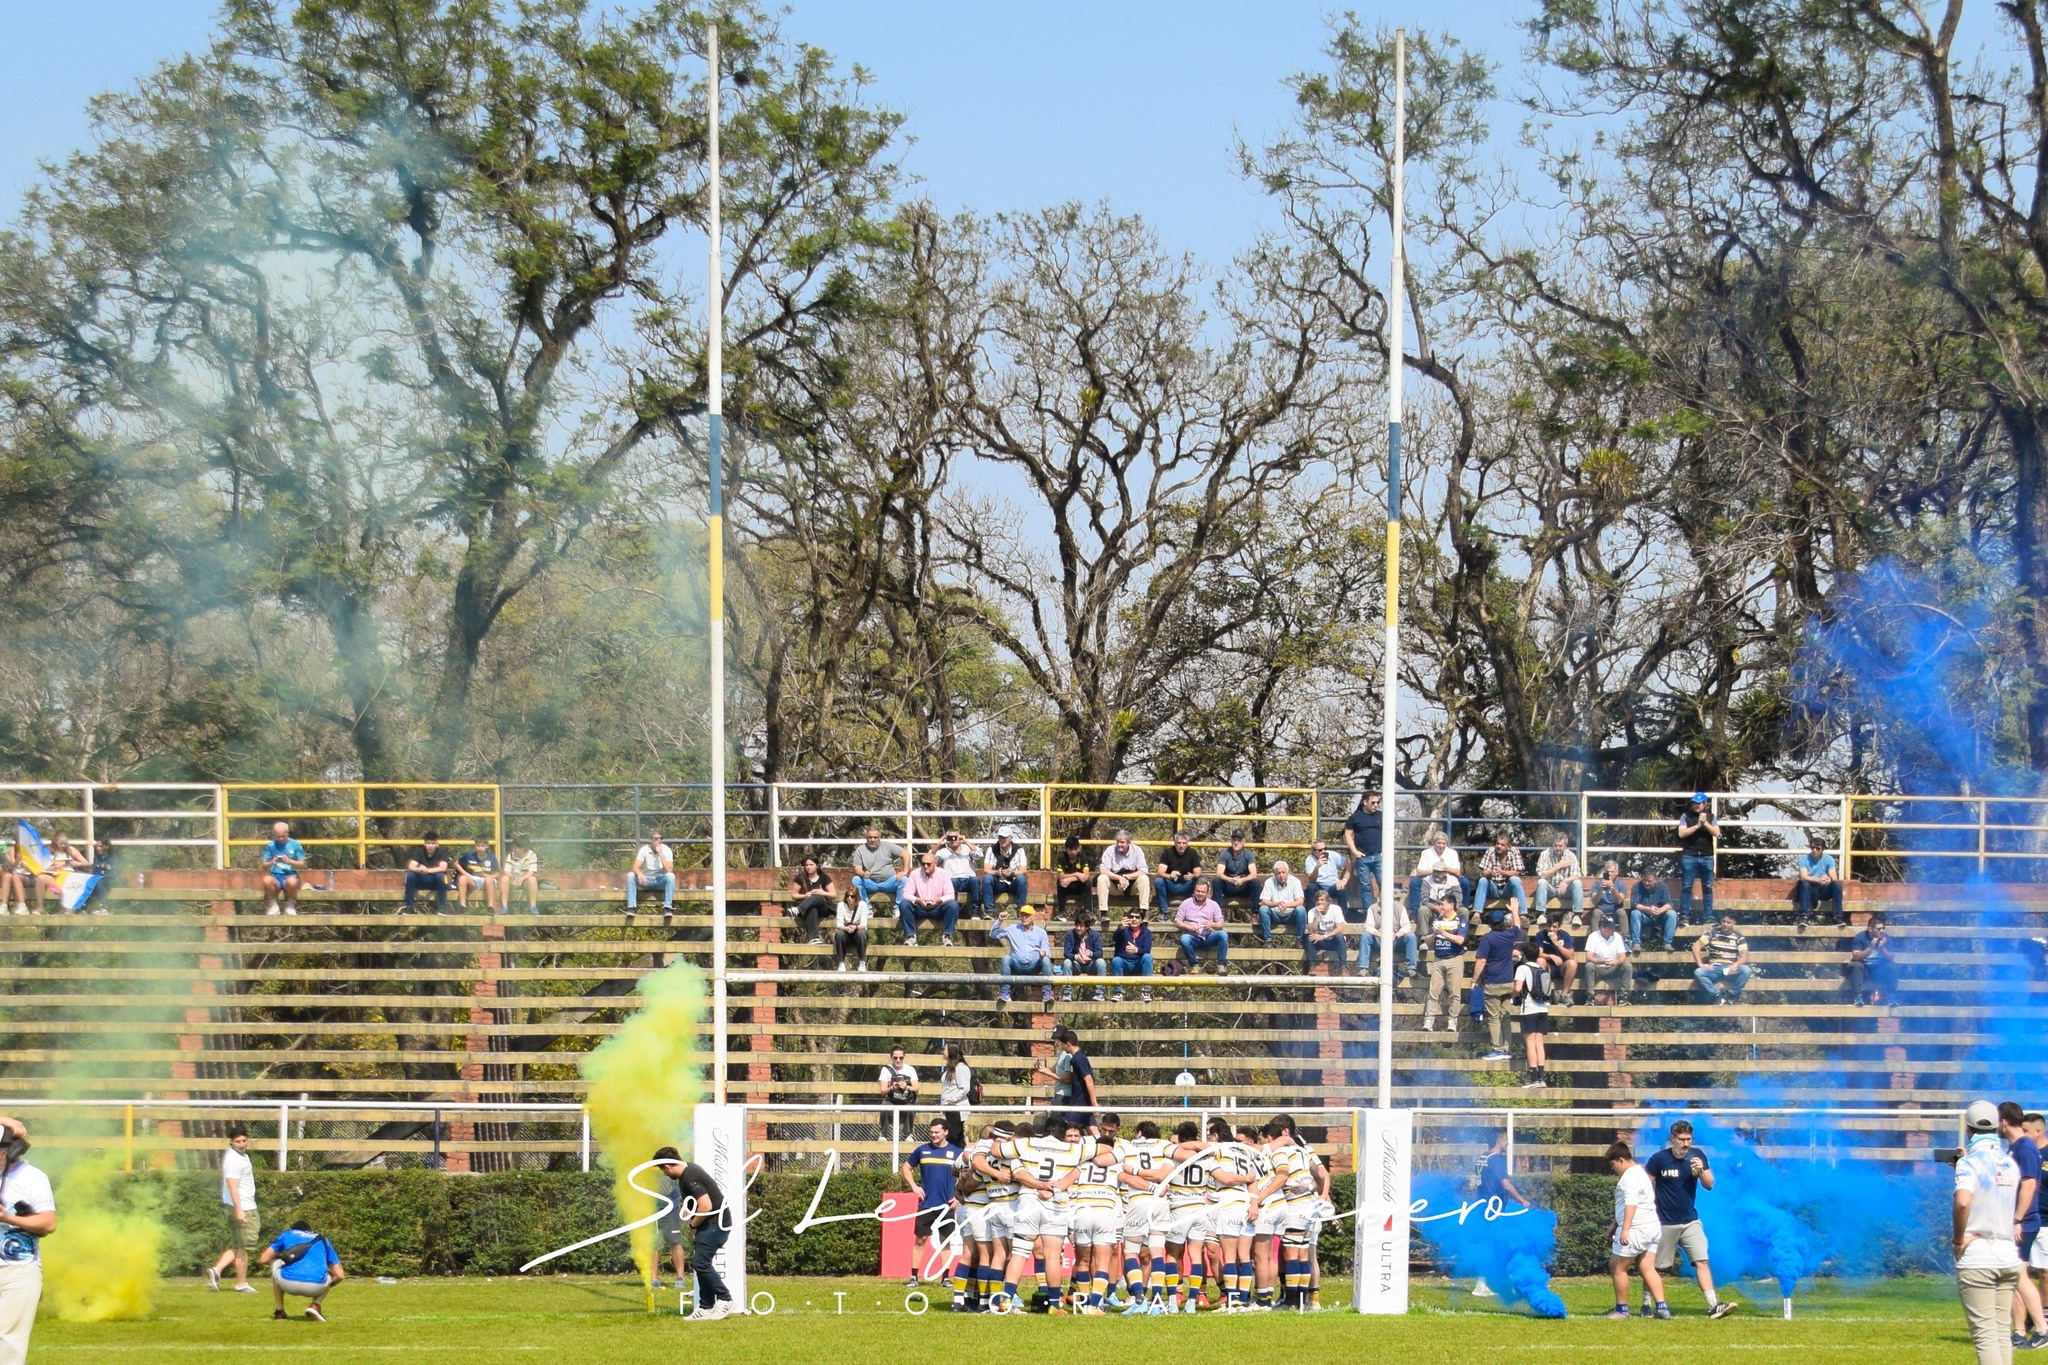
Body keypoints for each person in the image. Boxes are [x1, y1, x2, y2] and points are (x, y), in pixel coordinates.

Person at [1643, 1120, 1735, 1317]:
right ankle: (1646, 1304)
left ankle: (1713, 1305)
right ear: (1672, 1139)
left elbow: (1710, 1185)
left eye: (1689, 1139)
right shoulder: (1659, 1159)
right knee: (1656, 1267)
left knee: (1702, 1260)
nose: (1685, 1143)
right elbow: (1644, 1186)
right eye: (1681, 1139)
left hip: (1690, 1221)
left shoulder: (1697, 1156)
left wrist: (1701, 1170)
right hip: (1664, 1222)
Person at [1955, 1099, 2023, 1365]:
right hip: (2008, 1256)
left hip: (1979, 1257)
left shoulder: (1969, 1164)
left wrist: (1958, 1239)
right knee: (2000, 1332)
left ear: (1969, 1130)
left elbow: (1963, 1202)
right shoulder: (2010, 1163)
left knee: (1984, 1335)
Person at [652, 1149, 733, 1321]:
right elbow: (697, 1204)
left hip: (715, 1223)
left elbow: (706, 1206)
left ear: (667, 1166)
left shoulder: (690, 1176)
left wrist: (693, 1224)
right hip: (709, 1223)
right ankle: (705, 1306)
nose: (665, 1174)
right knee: (700, 1263)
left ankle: (725, 1299)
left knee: (701, 1263)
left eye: (663, 1170)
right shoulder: (688, 1172)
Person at [0, 1115, 55, 1361]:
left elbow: (48, 1222)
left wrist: (9, 1219)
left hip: (18, 1269)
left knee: (8, 1341)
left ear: (12, 1151)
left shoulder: (33, 1177)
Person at [2002, 1102, 2048, 1348]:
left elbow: (2029, 1184)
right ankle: (2020, 1331)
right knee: (2013, 1276)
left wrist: (2017, 1219)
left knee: (2020, 1274)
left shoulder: (2025, 1149)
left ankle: (2041, 1328)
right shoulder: (2014, 1148)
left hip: (2024, 1223)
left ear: (2003, 1122)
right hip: (2021, 1222)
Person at [1606, 1141, 1669, 1319]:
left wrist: (1624, 1229)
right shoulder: (1642, 1172)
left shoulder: (1629, 1178)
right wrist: (1615, 1224)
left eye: (1613, 1165)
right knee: (1647, 1267)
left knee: (1617, 1266)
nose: (1613, 1169)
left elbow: (1631, 1204)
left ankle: (1621, 1310)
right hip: (1652, 1227)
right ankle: (1662, 1308)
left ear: (1620, 1160)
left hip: (1636, 1229)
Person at [902, 1118, 964, 1289]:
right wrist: (914, 1186)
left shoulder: (957, 1152)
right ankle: (914, 1277)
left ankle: (945, 1277)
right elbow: (906, 1167)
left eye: (937, 1132)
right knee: (920, 1240)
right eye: (932, 1132)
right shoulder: (922, 1150)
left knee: (946, 1241)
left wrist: (959, 1196)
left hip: (947, 1206)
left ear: (946, 1132)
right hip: (926, 1204)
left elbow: (966, 1175)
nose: (934, 1135)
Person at [209, 1124, 260, 1292]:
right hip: (243, 1206)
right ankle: (241, 1283)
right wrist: (239, 1209)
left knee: (239, 1245)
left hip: (241, 1205)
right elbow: (232, 1186)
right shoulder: (234, 1159)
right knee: (244, 1247)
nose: (242, 1144)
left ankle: (216, 1270)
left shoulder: (241, 1156)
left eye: (244, 1140)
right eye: (238, 1141)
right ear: (231, 1142)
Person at [260, 1220, 343, 1322]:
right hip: (316, 1287)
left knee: (276, 1265)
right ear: (311, 1230)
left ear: (293, 1229)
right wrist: (325, 1287)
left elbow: (264, 1259)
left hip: (288, 1284)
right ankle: (315, 1305)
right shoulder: (323, 1239)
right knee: (329, 1276)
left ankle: (279, 1312)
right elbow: (340, 1275)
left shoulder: (288, 1234)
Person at [1475, 907, 1525, 1063]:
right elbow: (1518, 925)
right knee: (1505, 1016)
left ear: (1490, 923)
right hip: (1508, 982)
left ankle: (1497, 1049)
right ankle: (1506, 1048)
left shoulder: (1487, 938)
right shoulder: (1510, 935)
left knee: (1493, 1017)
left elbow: (1482, 960)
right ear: (1503, 922)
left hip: (1493, 982)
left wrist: (1474, 979)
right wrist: (1515, 910)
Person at [1421, 892, 1467, 1032]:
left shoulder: (1460, 920)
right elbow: (1427, 942)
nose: (1440, 906)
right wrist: (1434, 934)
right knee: (1433, 992)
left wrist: (1444, 933)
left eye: (1442, 904)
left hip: (1455, 959)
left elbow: (1460, 940)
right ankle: (1428, 1021)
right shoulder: (1437, 920)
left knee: (1454, 993)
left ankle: (1452, 1022)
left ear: (1451, 905)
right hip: (1438, 960)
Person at [1038, 1026, 1098, 1130]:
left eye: (1060, 1041)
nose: (1058, 1043)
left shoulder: (1076, 1058)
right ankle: (1101, 1143)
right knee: (1092, 1128)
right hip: (1081, 1100)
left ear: (1067, 1043)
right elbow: (1054, 1069)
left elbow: (1087, 1079)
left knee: (1065, 1128)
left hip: (1078, 1101)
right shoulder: (1075, 1057)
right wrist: (1043, 1069)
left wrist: (1094, 1103)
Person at [992, 903, 1052, 1005]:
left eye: (1027, 915)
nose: (1024, 918)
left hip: (1034, 966)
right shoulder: (1012, 929)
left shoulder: (1041, 932)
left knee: (1046, 960)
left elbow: (1047, 950)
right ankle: (1005, 992)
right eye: (1022, 915)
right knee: (1006, 958)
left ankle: (1047, 994)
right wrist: (999, 921)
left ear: (1033, 917)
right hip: (1017, 965)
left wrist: (1044, 952)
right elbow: (993, 935)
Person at [900, 851, 961, 947]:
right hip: (920, 907)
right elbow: (906, 894)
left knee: (953, 905)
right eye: (923, 864)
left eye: (928, 864)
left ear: (935, 864)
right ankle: (910, 937)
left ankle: (947, 937)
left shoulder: (943, 874)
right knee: (904, 904)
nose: (925, 866)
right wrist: (918, 900)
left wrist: (938, 900)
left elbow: (950, 894)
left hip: (938, 908)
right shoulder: (915, 874)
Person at [1511, 940, 1550, 1089]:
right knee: (1539, 1044)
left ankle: (1533, 1079)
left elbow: (1518, 988)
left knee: (1530, 1043)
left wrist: (1513, 996)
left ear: (1525, 955)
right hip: (1543, 1009)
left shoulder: (1522, 968)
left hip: (1529, 1009)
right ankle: (1542, 1078)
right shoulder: (1541, 968)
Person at [1677, 794, 1720, 926]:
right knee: (1686, 887)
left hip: (1707, 856)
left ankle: (1708, 917)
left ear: (1705, 804)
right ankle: (1684, 916)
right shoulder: (1685, 816)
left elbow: (1716, 833)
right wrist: (1696, 826)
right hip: (1690, 855)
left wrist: (1705, 823)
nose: (1697, 805)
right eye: (1695, 803)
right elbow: (1681, 833)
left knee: (1707, 887)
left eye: (1699, 803)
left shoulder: (1711, 817)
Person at [1692, 913, 1752, 1004]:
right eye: (1723, 921)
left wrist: (1735, 964)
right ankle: (1716, 994)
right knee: (1698, 972)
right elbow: (1696, 946)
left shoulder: (1739, 938)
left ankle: (1733, 995)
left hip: (1730, 969)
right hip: (1714, 968)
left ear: (1734, 923)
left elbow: (1744, 956)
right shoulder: (1712, 933)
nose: (1725, 924)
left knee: (1746, 970)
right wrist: (1700, 963)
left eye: (1728, 922)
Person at [1174, 879, 1228, 974]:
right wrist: (1187, 926)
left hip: (1208, 936)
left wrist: (1212, 924)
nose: (1200, 894)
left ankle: (1221, 965)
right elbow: (1177, 922)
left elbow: (1221, 925)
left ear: (1207, 893)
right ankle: (1194, 965)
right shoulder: (1186, 903)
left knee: (1223, 935)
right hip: (1193, 937)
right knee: (1184, 939)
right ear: (1194, 891)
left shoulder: (1214, 905)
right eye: (1198, 891)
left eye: (1203, 892)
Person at [1360, 898, 1417, 986]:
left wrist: (1397, 935)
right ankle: (1363, 967)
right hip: (1379, 939)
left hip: (1395, 940)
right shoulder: (1373, 908)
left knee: (1411, 936)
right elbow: (1368, 926)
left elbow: (1406, 925)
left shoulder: (1400, 908)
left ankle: (1411, 968)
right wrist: (1380, 934)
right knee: (1365, 936)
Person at [1096, 830, 1152, 918]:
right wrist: (1119, 878)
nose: (1119, 844)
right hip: (1114, 886)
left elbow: (1143, 870)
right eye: (1117, 842)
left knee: (1144, 878)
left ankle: (1143, 913)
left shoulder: (1137, 850)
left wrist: (1126, 877)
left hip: (1132, 886)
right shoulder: (1110, 850)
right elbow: (1103, 870)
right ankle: (1103, 913)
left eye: (1122, 842)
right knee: (1102, 878)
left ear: (1129, 843)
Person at [1846, 912, 1899, 1005]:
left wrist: (1882, 948)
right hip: (1864, 970)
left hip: (1879, 970)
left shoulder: (1885, 937)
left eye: (1883, 928)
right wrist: (1870, 948)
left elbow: (1891, 957)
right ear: (1870, 929)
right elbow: (1856, 956)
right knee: (1855, 965)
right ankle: (1858, 996)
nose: (1881, 931)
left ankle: (1891, 996)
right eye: (1878, 929)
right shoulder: (1860, 937)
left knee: (1891, 966)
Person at [851, 826, 909, 910]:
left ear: (880, 837)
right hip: (871, 882)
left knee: (904, 880)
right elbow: (857, 869)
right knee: (856, 880)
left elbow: (906, 854)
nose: (873, 839)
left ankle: (898, 908)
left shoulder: (887, 846)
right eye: (870, 837)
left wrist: (905, 871)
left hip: (890, 882)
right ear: (866, 838)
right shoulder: (860, 850)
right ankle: (866, 908)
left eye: (875, 837)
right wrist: (863, 874)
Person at [1406, 830, 1463, 916]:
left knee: (1465, 882)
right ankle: (1415, 913)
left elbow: (1457, 872)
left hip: (1448, 879)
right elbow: (1420, 872)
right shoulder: (1426, 853)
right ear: (1434, 843)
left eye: (1443, 843)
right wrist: (1435, 871)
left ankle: (1460, 910)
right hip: (1430, 879)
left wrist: (1444, 869)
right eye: (1438, 843)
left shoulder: (1452, 853)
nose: (1441, 846)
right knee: (1414, 882)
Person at [1342, 792, 1384, 907]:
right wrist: (1355, 851)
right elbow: (1348, 834)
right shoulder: (1355, 817)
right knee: (1365, 886)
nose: (1376, 805)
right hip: (1363, 857)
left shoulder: (1382, 815)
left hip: (1378, 855)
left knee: (1383, 884)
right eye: (1373, 802)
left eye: (1377, 802)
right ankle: (1368, 913)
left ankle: (1385, 911)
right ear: (1365, 802)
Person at [1534, 834, 1585, 928]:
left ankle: (1577, 915)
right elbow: (1542, 875)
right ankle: (1541, 914)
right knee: (1541, 882)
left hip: (1565, 889)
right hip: (1550, 888)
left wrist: (1565, 881)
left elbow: (1577, 875)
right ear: (1553, 844)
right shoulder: (1545, 854)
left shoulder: (1571, 856)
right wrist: (1559, 866)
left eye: (1560, 846)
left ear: (1565, 845)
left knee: (1577, 883)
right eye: (1555, 845)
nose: (1557, 848)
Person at [258, 820, 307, 916]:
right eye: (278, 836)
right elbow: (264, 865)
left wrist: (290, 861)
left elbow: (303, 864)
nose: (281, 839)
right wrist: (271, 862)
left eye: (283, 836)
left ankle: (291, 906)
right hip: (275, 876)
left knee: (292, 882)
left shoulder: (295, 845)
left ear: (287, 833)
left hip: (291, 875)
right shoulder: (271, 845)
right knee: (266, 880)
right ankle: (273, 906)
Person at [1058, 910, 1108, 1002]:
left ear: (1087, 927)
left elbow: (1100, 953)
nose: (1078, 928)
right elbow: (1066, 953)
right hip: (1076, 965)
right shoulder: (1070, 935)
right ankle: (1067, 994)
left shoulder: (1095, 935)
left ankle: (1099, 993)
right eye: (1077, 925)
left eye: (1081, 926)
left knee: (1101, 962)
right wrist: (1075, 957)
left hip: (1090, 965)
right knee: (1067, 962)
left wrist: (1092, 954)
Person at [1793, 835, 1843, 926]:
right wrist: (1817, 880)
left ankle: (1837, 917)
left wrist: (1828, 879)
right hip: (1809, 890)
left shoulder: (1828, 859)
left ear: (1822, 849)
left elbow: (1834, 877)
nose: (1814, 850)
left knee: (1837, 884)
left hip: (1822, 889)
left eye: (1817, 848)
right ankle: (1803, 917)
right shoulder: (1803, 859)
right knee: (1804, 884)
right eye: (1812, 848)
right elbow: (1803, 876)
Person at [1257, 859, 1307, 945]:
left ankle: (1300, 940)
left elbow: (1300, 901)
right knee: (1263, 909)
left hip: (1291, 915)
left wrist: (1287, 905)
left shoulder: (1295, 881)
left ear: (1288, 872)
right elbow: (1264, 901)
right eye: (1278, 873)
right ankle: (1268, 940)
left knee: (1301, 909)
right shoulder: (1269, 882)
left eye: (1283, 872)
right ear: (1275, 874)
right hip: (1275, 915)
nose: (1281, 875)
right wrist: (1276, 903)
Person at [1584, 914, 1631, 1006]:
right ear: (1602, 927)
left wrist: (1615, 962)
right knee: (1589, 966)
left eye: (1613, 927)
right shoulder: (1593, 936)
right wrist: (1601, 961)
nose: (1613, 929)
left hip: (1613, 968)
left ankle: (1623, 997)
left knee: (1627, 966)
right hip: (1598, 968)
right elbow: (1588, 957)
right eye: (1610, 927)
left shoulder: (1617, 936)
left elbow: (1623, 956)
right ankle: (1590, 997)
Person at [1474, 833, 1526, 914]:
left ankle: (1523, 914)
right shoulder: (1490, 851)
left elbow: (1516, 872)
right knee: (1483, 880)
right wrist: (1490, 873)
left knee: (1515, 880)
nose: (1498, 846)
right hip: (1493, 888)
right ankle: (1476, 913)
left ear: (1508, 847)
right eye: (1497, 843)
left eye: (1502, 845)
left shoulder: (1514, 852)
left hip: (1507, 889)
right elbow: (1484, 872)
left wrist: (1502, 872)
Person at [787, 855, 835, 945]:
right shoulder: (801, 878)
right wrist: (805, 895)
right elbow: (794, 895)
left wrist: (822, 892)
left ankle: (798, 910)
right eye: (807, 865)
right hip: (808, 909)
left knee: (818, 896)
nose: (808, 867)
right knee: (812, 908)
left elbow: (833, 894)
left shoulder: (824, 877)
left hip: (823, 908)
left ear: (817, 865)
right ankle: (814, 938)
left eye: (811, 865)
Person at [980, 831, 1030, 914]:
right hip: (998, 882)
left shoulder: (1019, 850)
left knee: (1021, 878)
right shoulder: (992, 849)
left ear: (1010, 838)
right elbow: (986, 869)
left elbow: (1023, 870)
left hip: (1013, 883)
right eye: (1000, 837)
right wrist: (997, 872)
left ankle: (1021, 911)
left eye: (1005, 838)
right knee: (987, 878)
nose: (1002, 840)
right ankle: (989, 912)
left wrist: (1012, 873)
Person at [624, 830, 675, 913]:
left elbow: (669, 869)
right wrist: (639, 873)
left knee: (671, 876)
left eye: (660, 839)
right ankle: (632, 907)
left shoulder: (666, 850)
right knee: (631, 875)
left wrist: (660, 854)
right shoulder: (644, 850)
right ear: (651, 840)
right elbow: (635, 867)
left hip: (660, 880)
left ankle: (667, 907)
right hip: (646, 880)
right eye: (656, 839)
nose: (659, 841)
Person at [1630, 864, 1677, 951]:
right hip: (1644, 917)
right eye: (1644, 880)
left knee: (1672, 914)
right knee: (1634, 913)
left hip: (1659, 917)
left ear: (1655, 879)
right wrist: (1648, 909)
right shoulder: (1636, 887)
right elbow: (1634, 904)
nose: (1646, 883)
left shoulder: (1663, 887)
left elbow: (1669, 904)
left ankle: (1667, 943)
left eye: (1649, 881)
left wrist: (1660, 910)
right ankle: (1636, 943)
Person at [1298, 840, 1350, 918]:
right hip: (1319, 886)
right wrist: (1317, 867)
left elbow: (1349, 863)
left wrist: (1344, 879)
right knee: (1310, 887)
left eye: (1324, 848)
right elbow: (1312, 880)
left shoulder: (1332, 855)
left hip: (1333, 886)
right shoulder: (1309, 860)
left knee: (1342, 889)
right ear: (1313, 851)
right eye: (1320, 850)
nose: (1323, 851)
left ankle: (1343, 917)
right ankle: (1311, 917)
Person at [1110, 907, 1153, 1002]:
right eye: (1132, 917)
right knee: (1116, 960)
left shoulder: (1146, 933)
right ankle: (1118, 992)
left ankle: (1146, 991)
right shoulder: (1123, 929)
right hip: (1124, 964)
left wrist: (1136, 950)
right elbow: (1115, 938)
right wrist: (1121, 928)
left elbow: (1147, 950)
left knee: (1147, 957)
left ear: (1141, 920)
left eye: (1137, 917)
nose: (1134, 919)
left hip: (1138, 965)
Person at [1154, 831, 1201, 917]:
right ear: (1175, 843)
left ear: (1187, 843)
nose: (1181, 845)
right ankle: (1164, 913)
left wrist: (1193, 875)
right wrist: (1169, 876)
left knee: (1201, 881)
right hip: (1170, 885)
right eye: (1179, 843)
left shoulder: (1192, 853)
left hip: (1187, 885)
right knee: (1158, 881)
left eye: (1184, 843)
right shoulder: (1168, 852)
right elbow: (1160, 872)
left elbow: (1198, 872)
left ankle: (1198, 912)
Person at [1303, 889, 1349, 974]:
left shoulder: (1336, 909)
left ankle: (1343, 967)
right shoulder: (1312, 912)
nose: (1319, 902)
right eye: (1317, 900)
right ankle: (1311, 967)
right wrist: (1316, 916)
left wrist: (1324, 936)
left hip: (1332, 940)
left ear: (1328, 901)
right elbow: (1312, 931)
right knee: (1310, 938)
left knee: (1339, 936)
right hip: (1319, 941)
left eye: (1322, 900)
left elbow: (1339, 928)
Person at [1536, 914, 1579, 1005]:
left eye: (1554, 927)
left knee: (1572, 963)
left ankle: (1563, 995)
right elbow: (1539, 954)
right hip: (1548, 968)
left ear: (1559, 927)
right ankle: (1545, 995)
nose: (1551, 929)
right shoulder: (1541, 935)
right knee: (1540, 961)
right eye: (1549, 926)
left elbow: (1571, 956)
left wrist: (1556, 943)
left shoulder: (1565, 935)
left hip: (1562, 968)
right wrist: (1551, 956)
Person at [934, 829, 981, 909]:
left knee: (975, 880)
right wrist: (938, 845)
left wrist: (965, 841)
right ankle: (954, 910)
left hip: (968, 879)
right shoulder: (943, 852)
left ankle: (975, 911)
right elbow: (930, 860)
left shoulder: (967, 849)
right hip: (952, 880)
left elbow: (979, 855)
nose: (953, 840)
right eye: (950, 838)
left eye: (955, 837)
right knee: (951, 881)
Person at [937, 1044, 973, 1148]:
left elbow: (965, 1088)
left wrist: (952, 1100)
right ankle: (962, 1161)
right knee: (959, 1140)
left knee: (951, 1138)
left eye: (945, 1049)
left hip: (956, 1109)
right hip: (950, 1108)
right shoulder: (951, 1068)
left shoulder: (961, 1068)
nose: (942, 1052)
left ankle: (950, 1160)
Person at [1213, 829, 1261, 906]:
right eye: (1234, 840)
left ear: (1244, 841)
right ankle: (1218, 913)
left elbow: (1253, 874)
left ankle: (1255, 913)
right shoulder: (1225, 854)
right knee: (1217, 882)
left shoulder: (1248, 855)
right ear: (1231, 841)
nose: (1236, 842)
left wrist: (1243, 880)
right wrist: (1230, 880)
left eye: (1239, 840)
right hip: (1229, 887)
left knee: (1255, 882)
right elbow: (1219, 874)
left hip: (1244, 888)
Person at [1052, 835, 1093, 919]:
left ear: (1079, 848)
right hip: (1067, 887)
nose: (1073, 852)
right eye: (1070, 849)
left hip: (1079, 886)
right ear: (1066, 849)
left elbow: (1086, 875)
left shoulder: (1082, 856)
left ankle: (1088, 911)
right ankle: (1062, 912)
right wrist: (1077, 874)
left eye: (1075, 849)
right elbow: (1060, 876)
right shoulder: (1062, 857)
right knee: (1060, 883)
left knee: (1088, 883)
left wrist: (1071, 879)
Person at [832, 885, 871, 972]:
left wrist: (855, 927)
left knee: (862, 933)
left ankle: (862, 962)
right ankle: (841, 963)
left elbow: (863, 924)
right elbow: (839, 924)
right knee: (839, 934)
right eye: (847, 896)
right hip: (846, 932)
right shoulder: (841, 905)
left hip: (857, 931)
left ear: (856, 897)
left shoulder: (863, 905)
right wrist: (846, 928)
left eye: (852, 896)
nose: (849, 898)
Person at [456, 836, 500, 912]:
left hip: (488, 880)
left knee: (489, 879)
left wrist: (486, 875)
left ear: (487, 846)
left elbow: (497, 874)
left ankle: (490, 907)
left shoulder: (491, 857)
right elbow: (457, 864)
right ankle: (462, 906)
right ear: (475, 846)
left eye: (482, 846)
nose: (480, 848)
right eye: (478, 846)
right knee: (462, 878)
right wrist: (466, 874)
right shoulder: (469, 856)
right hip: (474, 880)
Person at [502, 840, 541, 913]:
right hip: (513, 880)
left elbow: (532, 871)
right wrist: (514, 878)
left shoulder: (532, 855)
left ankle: (533, 907)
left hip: (525, 881)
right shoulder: (510, 855)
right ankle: (504, 907)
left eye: (516, 848)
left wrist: (522, 878)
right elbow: (507, 871)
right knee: (504, 878)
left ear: (523, 848)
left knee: (532, 879)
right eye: (513, 847)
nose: (514, 849)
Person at [877, 1044, 919, 1110]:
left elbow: (916, 1089)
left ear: (904, 1057)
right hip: (890, 1101)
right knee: (886, 1110)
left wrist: (906, 1087)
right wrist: (892, 1087)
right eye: (895, 1058)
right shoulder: (885, 1070)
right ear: (891, 1057)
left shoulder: (911, 1069)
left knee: (909, 1110)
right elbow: (883, 1091)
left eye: (901, 1058)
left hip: (907, 1101)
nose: (898, 1060)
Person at [0, 844, 25, 916]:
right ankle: (4, 905)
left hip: (11, 874)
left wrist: (17, 860)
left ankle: (4, 905)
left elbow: (11, 865)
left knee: (9, 876)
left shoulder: (9, 845)